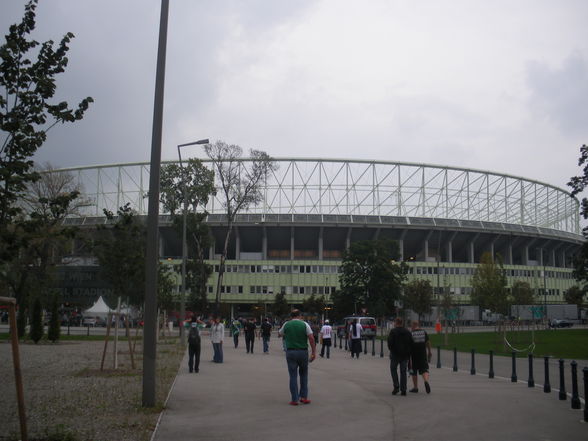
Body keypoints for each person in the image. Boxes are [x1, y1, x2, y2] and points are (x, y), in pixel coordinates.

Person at [279, 309, 316, 405]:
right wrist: (313, 352)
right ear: (300, 315)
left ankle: (294, 399)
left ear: (291, 316)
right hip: (303, 352)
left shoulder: (286, 324)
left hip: (291, 352)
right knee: (304, 375)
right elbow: (311, 338)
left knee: (293, 376)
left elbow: (280, 333)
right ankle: (303, 397)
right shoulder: (305, 324)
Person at [387, 317, 413, 396]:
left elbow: (390, 343)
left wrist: (392, 350)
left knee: (393, 369)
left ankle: (396, 386)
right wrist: (408, 352)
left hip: (395, 354)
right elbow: (411, 343)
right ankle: (403, 389)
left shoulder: (393, 331)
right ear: (402, 323)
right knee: (403, 371)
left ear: (396, 322)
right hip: (405, 355)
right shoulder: (407, 332)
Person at [409, 320, 432, 394]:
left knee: (414, 371)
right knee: (424, 369)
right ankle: (426, 381)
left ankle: (415, 387)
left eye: (411, 325)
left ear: (413, 325)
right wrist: (429, 351)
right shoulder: (423, 332)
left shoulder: (411, 333)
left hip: (414, 354)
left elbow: (409, 345)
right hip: (423, 353)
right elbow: (428, 342)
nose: (411, 327)